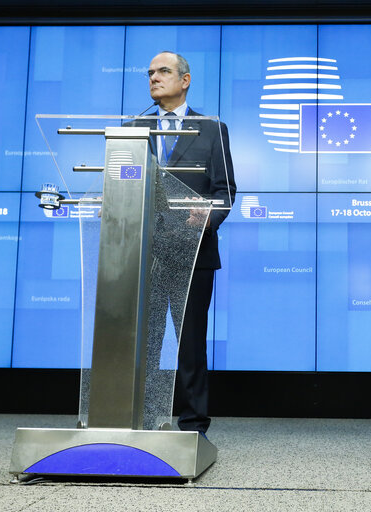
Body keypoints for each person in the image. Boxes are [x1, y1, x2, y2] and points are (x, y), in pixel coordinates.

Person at [142, 51, 236, 434]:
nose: (154, 78)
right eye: (150, 73)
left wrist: (206, 220)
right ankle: (144, 417)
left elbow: (225, 190)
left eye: (163, 71)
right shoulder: (132, 128)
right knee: (145, 343)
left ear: (185, 80)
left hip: (193, 250)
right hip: (142, 252)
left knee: (190, 344)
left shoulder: (212, 128)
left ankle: (193, 425)